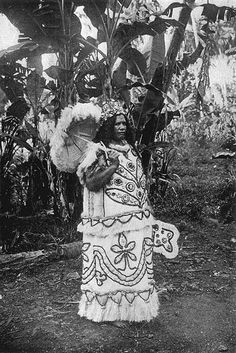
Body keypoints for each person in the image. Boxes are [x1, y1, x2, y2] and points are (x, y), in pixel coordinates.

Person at [50, 100, 179, 327]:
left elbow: (139, 184)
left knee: (135, 266)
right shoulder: (98, 151)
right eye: (117, 124)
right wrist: (111, 166)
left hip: (136, 219)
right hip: (109, 222)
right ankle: (110, 313)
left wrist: (147, 209)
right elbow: (90, 182)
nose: (122, 127)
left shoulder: (131, 150)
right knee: (112, 267)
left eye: (124, 123)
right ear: (109, 126)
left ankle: (133, 311)